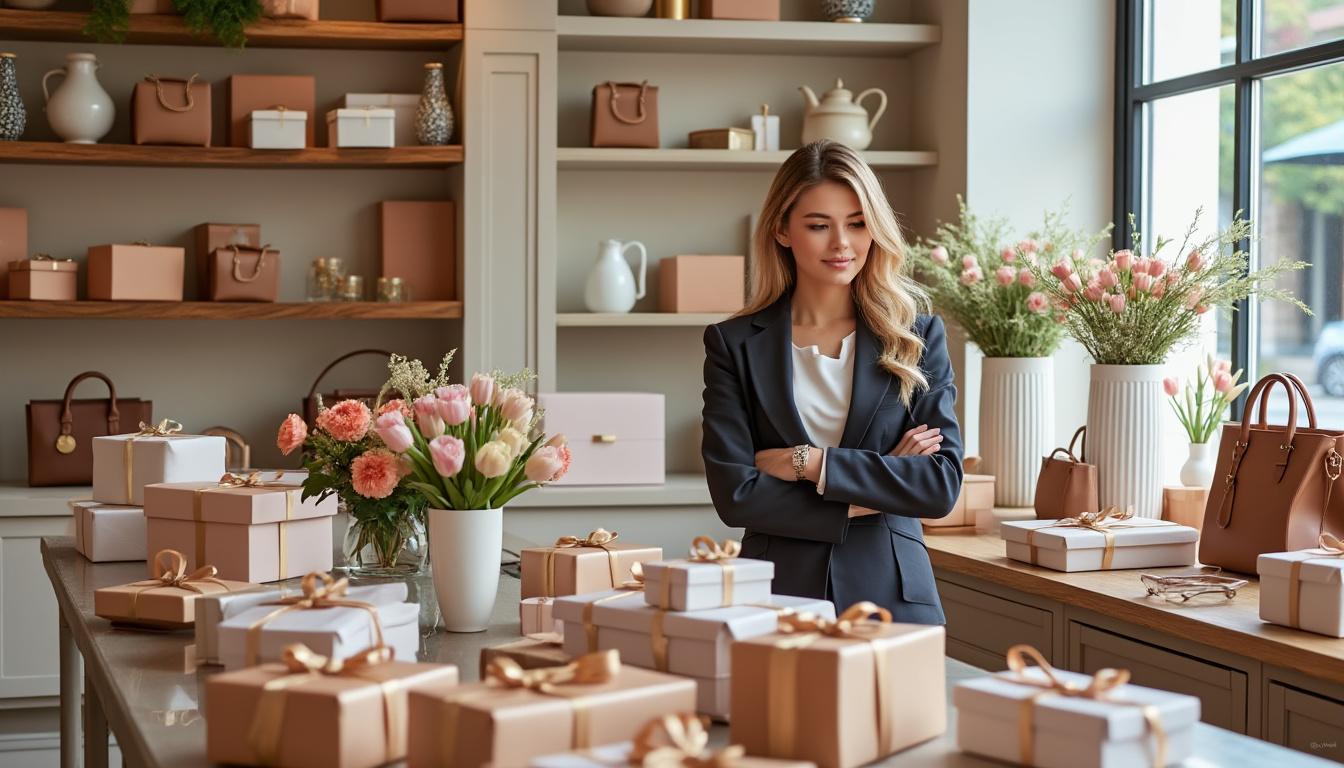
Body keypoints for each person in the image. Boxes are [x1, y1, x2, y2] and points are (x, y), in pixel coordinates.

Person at [700, 140, 963, 624]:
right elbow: (735, 495)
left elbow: (938, 486)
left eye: (858, 223)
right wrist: (880, 487)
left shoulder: (918, 336)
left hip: (894, 596)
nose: (842, 243)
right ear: (782, 230)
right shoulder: (733, 344)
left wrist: (809, 463)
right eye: (819, 226)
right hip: (776, 596)